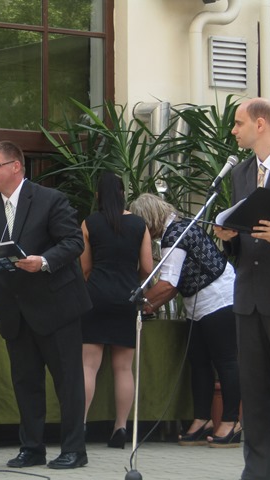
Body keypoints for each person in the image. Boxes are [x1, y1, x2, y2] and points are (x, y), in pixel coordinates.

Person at [0, 140, 92, 470]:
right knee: (26, 383)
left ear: (16, 166)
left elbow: (73, 242)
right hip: (14, 312)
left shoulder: (50, 199)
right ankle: (32, 448)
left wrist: (43, 261)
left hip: (56, 308)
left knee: (68, 382)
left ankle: (74, 450)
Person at [214, 97, 270, 480]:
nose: (233, 130)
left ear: (261, 124)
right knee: (255, 392)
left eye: (238, 123)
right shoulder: (241, 172)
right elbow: (243, 236)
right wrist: (228, 237)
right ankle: (259, 473)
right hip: (248, 297)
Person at [130, 193, 241, 448]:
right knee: (199, 363)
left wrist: (139, 304)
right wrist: (149, 304)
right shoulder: (179, 228)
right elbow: (173, 284)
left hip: (219, 298)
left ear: (148, 221)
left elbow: (168, 285)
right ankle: (202, 420)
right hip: (198, 304)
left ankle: (232, 422)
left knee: (226, 362)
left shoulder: (175, 235)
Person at [80, 172, 153, 449]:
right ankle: (120, 428)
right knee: (123, 368)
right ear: (123, 194)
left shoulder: (89, 223)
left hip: (96, 296)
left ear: (98, 195)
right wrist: (131, 281)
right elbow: (147, 268)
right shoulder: (139, 224)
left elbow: (85, 267)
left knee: (88, 366)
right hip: (127, 298)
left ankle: (80, 426)